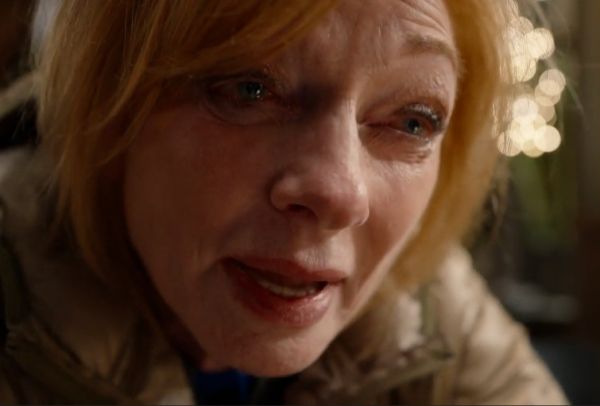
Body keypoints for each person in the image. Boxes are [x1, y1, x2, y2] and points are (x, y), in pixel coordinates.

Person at [0, 0, 568, 404]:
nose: (339, 194)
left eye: (412, 121)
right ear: (108, 105)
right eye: (250, 89)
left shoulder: (429, 310)